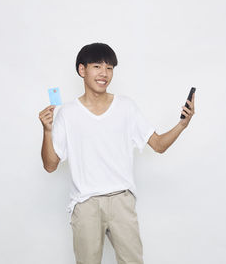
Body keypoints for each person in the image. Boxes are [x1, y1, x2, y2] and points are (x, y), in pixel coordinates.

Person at [38, 42, 195, 264]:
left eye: (110, 68)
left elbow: (158, 145)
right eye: (97, 67)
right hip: (86, 203)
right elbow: (50, 165)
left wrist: (182, 125)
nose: (104, 73)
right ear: (82, 70)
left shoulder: (126, 107)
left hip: (122, 200)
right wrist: (47, 130)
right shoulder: (67, 113)